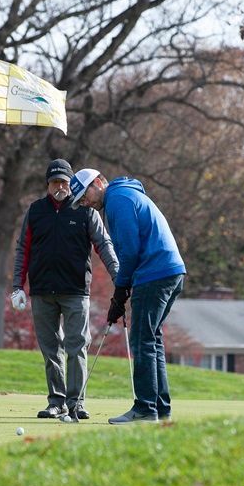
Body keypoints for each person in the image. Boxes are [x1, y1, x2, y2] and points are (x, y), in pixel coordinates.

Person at [70, 168, 186, 423]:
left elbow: (130, 252)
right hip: (170, 271)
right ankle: (160, 408)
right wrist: (121, 292)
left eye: (85, 196)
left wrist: (120, 292)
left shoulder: (118, 200)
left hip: (154, 273)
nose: (85, 203)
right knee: (152, 339)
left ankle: (145, 409)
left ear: (98, 182)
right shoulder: (125, 195)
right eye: (80, 202)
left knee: (142, 339)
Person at [11, 159, 119, 419]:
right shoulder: (36, 211)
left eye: (64, 181)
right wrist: (18, 286)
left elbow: (103, 244)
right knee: (50, 349)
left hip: (75, 291)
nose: (59, 186)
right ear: (47, 184)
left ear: (71, 183)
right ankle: (56, 401)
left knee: (77, 346)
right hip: (42, 292)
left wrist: (119, 276)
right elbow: (23, 249)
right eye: (54, 182)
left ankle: (76, 403)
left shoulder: (85, 210)